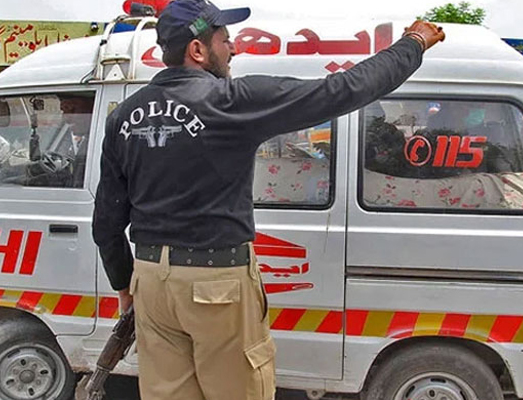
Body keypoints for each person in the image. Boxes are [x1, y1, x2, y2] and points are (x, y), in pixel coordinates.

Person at [92, 1, 445, 399]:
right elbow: (343, 90)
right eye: (226, 40)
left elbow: (106, 218)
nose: (234, 49)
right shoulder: (231, 101)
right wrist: (412, 44)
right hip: (216, 286)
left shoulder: (124, 115)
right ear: (197, 50)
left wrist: (125, 284)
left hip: (152, 283)